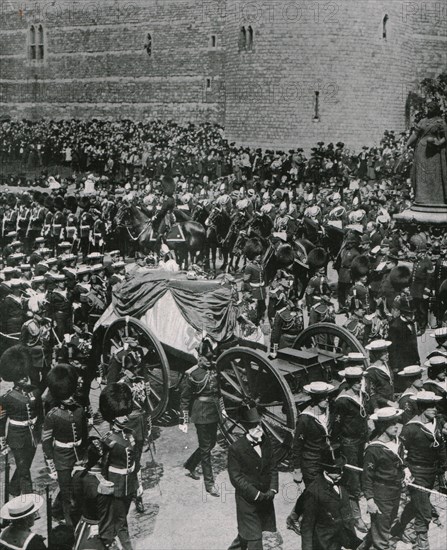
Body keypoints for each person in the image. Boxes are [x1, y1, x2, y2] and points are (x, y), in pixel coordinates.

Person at [392, 391, 447, 549]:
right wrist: (406, 472)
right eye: (430, 406)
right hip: (417, 473)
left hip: (433, 472)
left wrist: (444, 468)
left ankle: (396, 531)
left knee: (416, 505)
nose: (434, 409)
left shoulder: (435, 422)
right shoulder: (410, 429)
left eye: (435, 405)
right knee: (424, 512)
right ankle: (422, 545)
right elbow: (400, 452)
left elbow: (441, 447)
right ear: (422, 407)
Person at [42, 364, 88, 528]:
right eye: (66, 394)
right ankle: (70, 527)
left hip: (77, 456)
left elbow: (84, 435)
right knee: (67, 495)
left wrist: (84, 455)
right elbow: (46, 443)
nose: (70, 397)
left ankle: (63, 513)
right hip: (61, 458)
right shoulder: (52, 416)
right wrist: (51, 467)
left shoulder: (79, 410)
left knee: (77, 490)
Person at [287, 382, 336, 535]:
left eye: (327, 397)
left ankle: (293, 516)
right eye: (323, 398)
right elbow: (297, 446)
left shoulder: (327, 412)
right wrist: (296, 469)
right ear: (315, 399)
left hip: (325, 460)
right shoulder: (305, 419)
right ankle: (306, 524)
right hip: (310, 462)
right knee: (314, 493)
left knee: (312, 492)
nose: (327, 400)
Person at [227, 406, 278, 550]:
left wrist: (273, 489)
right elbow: (236, 478)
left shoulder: (266, 441)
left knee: (248, 534)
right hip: (248, 501)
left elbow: (273, 467)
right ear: (246, 428)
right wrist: (255, 494)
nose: (258, 428)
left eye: (259, 424)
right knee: (255, 540)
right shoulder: (236, 449)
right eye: (253, 426)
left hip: (265, 499)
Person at [359, 407, 409, 550]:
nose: (396, 426)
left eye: (397, 422)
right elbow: (367, 477)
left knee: (384, 525)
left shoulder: (397, 442)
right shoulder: (374, 449)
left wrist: (406, 471)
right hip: (382, 493)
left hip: (396, 491)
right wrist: (369, 499)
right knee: (381, 532)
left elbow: (401, 462)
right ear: (382, 426)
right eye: (392, 424)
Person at [179, 338, 223, 497]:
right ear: (200, 357)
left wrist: (222, 410)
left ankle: (190, 465)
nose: (211, 361)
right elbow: (184, 399)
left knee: (211, 443)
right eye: (208, 358)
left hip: (214, 411)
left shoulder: (214, 370)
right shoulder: (192, 374)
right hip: (201, 413)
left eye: (212, 358)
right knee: (206, 449)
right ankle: (209, 484)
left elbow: (218, 393)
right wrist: (183, 420)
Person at [98, 383, 139, 550]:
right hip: (116, 484)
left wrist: (139, 484)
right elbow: (101, 466)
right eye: (122, 415)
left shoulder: (129, 434)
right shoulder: (108, 439)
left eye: (125, 414)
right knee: (121, 521)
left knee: (122, 517)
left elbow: (135, 462)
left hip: (130, 482)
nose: (126, 418)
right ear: (113, 416)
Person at [0, 346, 43, 497]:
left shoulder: (35, 391)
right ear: (14, 378)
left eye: (25, 375)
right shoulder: (6, 398)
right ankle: (28, 501)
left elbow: (39, 413)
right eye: (21, 377)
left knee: (25, 466)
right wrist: (2, 441)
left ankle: (13, 488)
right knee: (24, 472)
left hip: (31, 435)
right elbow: (1, 421)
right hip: (16, 437)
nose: (25, 378)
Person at [332, 366, 370, 533]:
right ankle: (356, 517)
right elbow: (336, 426)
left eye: (359, 380)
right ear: (347, 382)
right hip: (349, 443)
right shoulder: (342, 401)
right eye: (353, 381)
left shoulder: (362, 395)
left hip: (362, 441)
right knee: (352, 479)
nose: (357, 384)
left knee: (363, 474)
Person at [300, 454, 360, 550]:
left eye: (342, 469)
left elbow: (345, 511)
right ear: (326, 471)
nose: (341, 473)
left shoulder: (343, 483)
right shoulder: (314, 490)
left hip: (340, 536)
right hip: (323, 542)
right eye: (337, 471)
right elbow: (307, 524)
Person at [406, 101, 447, 208]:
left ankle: (436, 198)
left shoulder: (440, 122)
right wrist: (407, 144)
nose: (428, 110)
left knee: (434, 174)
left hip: (434, 151)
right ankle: (421, 197)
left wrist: (439, 142)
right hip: (421, 151)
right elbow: (415, 134)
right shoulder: (423, 121)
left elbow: (445, 136)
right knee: (421, 174)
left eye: (430, 108)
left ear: (435, 109)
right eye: (427, 108)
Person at [365, 339, 395, 411]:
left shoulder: (387, 365)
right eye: (384, 352)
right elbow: (372, 393)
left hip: (391, 403)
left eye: (387, 351)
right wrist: (376, 407)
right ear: (377, 354)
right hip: (381, 406)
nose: (387, 354)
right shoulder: (371, 371)